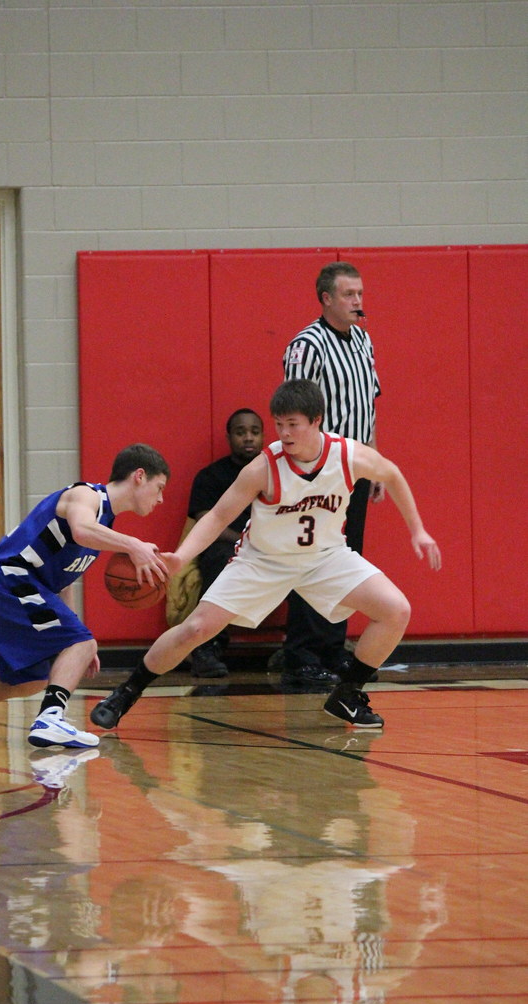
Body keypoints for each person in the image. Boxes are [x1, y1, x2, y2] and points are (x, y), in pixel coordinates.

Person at [91, 380, 441, 732]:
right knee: (195, 629)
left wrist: (418, 529)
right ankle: (125, 692)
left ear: (316, 420)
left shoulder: (349, 455)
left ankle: (347, 693)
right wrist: (182, 556)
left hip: (325, 557)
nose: (284, 433)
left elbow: (392, 474)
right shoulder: (264, 466)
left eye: (293, 424)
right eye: (279, 424)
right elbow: (216, 516)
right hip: (263, 561)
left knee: (396, 610)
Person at [0, 444, 170, 749]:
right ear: (139, 476)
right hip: (3, 579)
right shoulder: (87, 496)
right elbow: (81, 529)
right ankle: (50, 720)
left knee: (31, 678)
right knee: (80, 643)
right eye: (159, 487)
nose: (161, 498)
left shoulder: (105, 524)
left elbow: (63, 582)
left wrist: (75, 642)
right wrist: (133, 546)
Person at [279, 261, 382, 691]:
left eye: (360, 293)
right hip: (320, 469)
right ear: (326, 299)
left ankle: (330, 645)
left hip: (355, 464)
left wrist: (372, 460)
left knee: (346, 557)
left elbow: (368, 404)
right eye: (349, 295)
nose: (358, 301)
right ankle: (302, 652)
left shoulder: (363, 340)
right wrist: (307, 467)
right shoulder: (308, 344)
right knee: (312, 557)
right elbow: (295, 410)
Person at [187, 408, 264, 678]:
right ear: (229, 436)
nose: (248, 438)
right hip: (229, 546)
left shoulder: (277, 474)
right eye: (241, 432)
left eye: (255, 431)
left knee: (308, 562)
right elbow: (205, 519)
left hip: (271, 547)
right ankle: (206, 648)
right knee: (219, 558)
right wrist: (246, 542)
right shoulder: (210, 476)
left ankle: (302, 652)